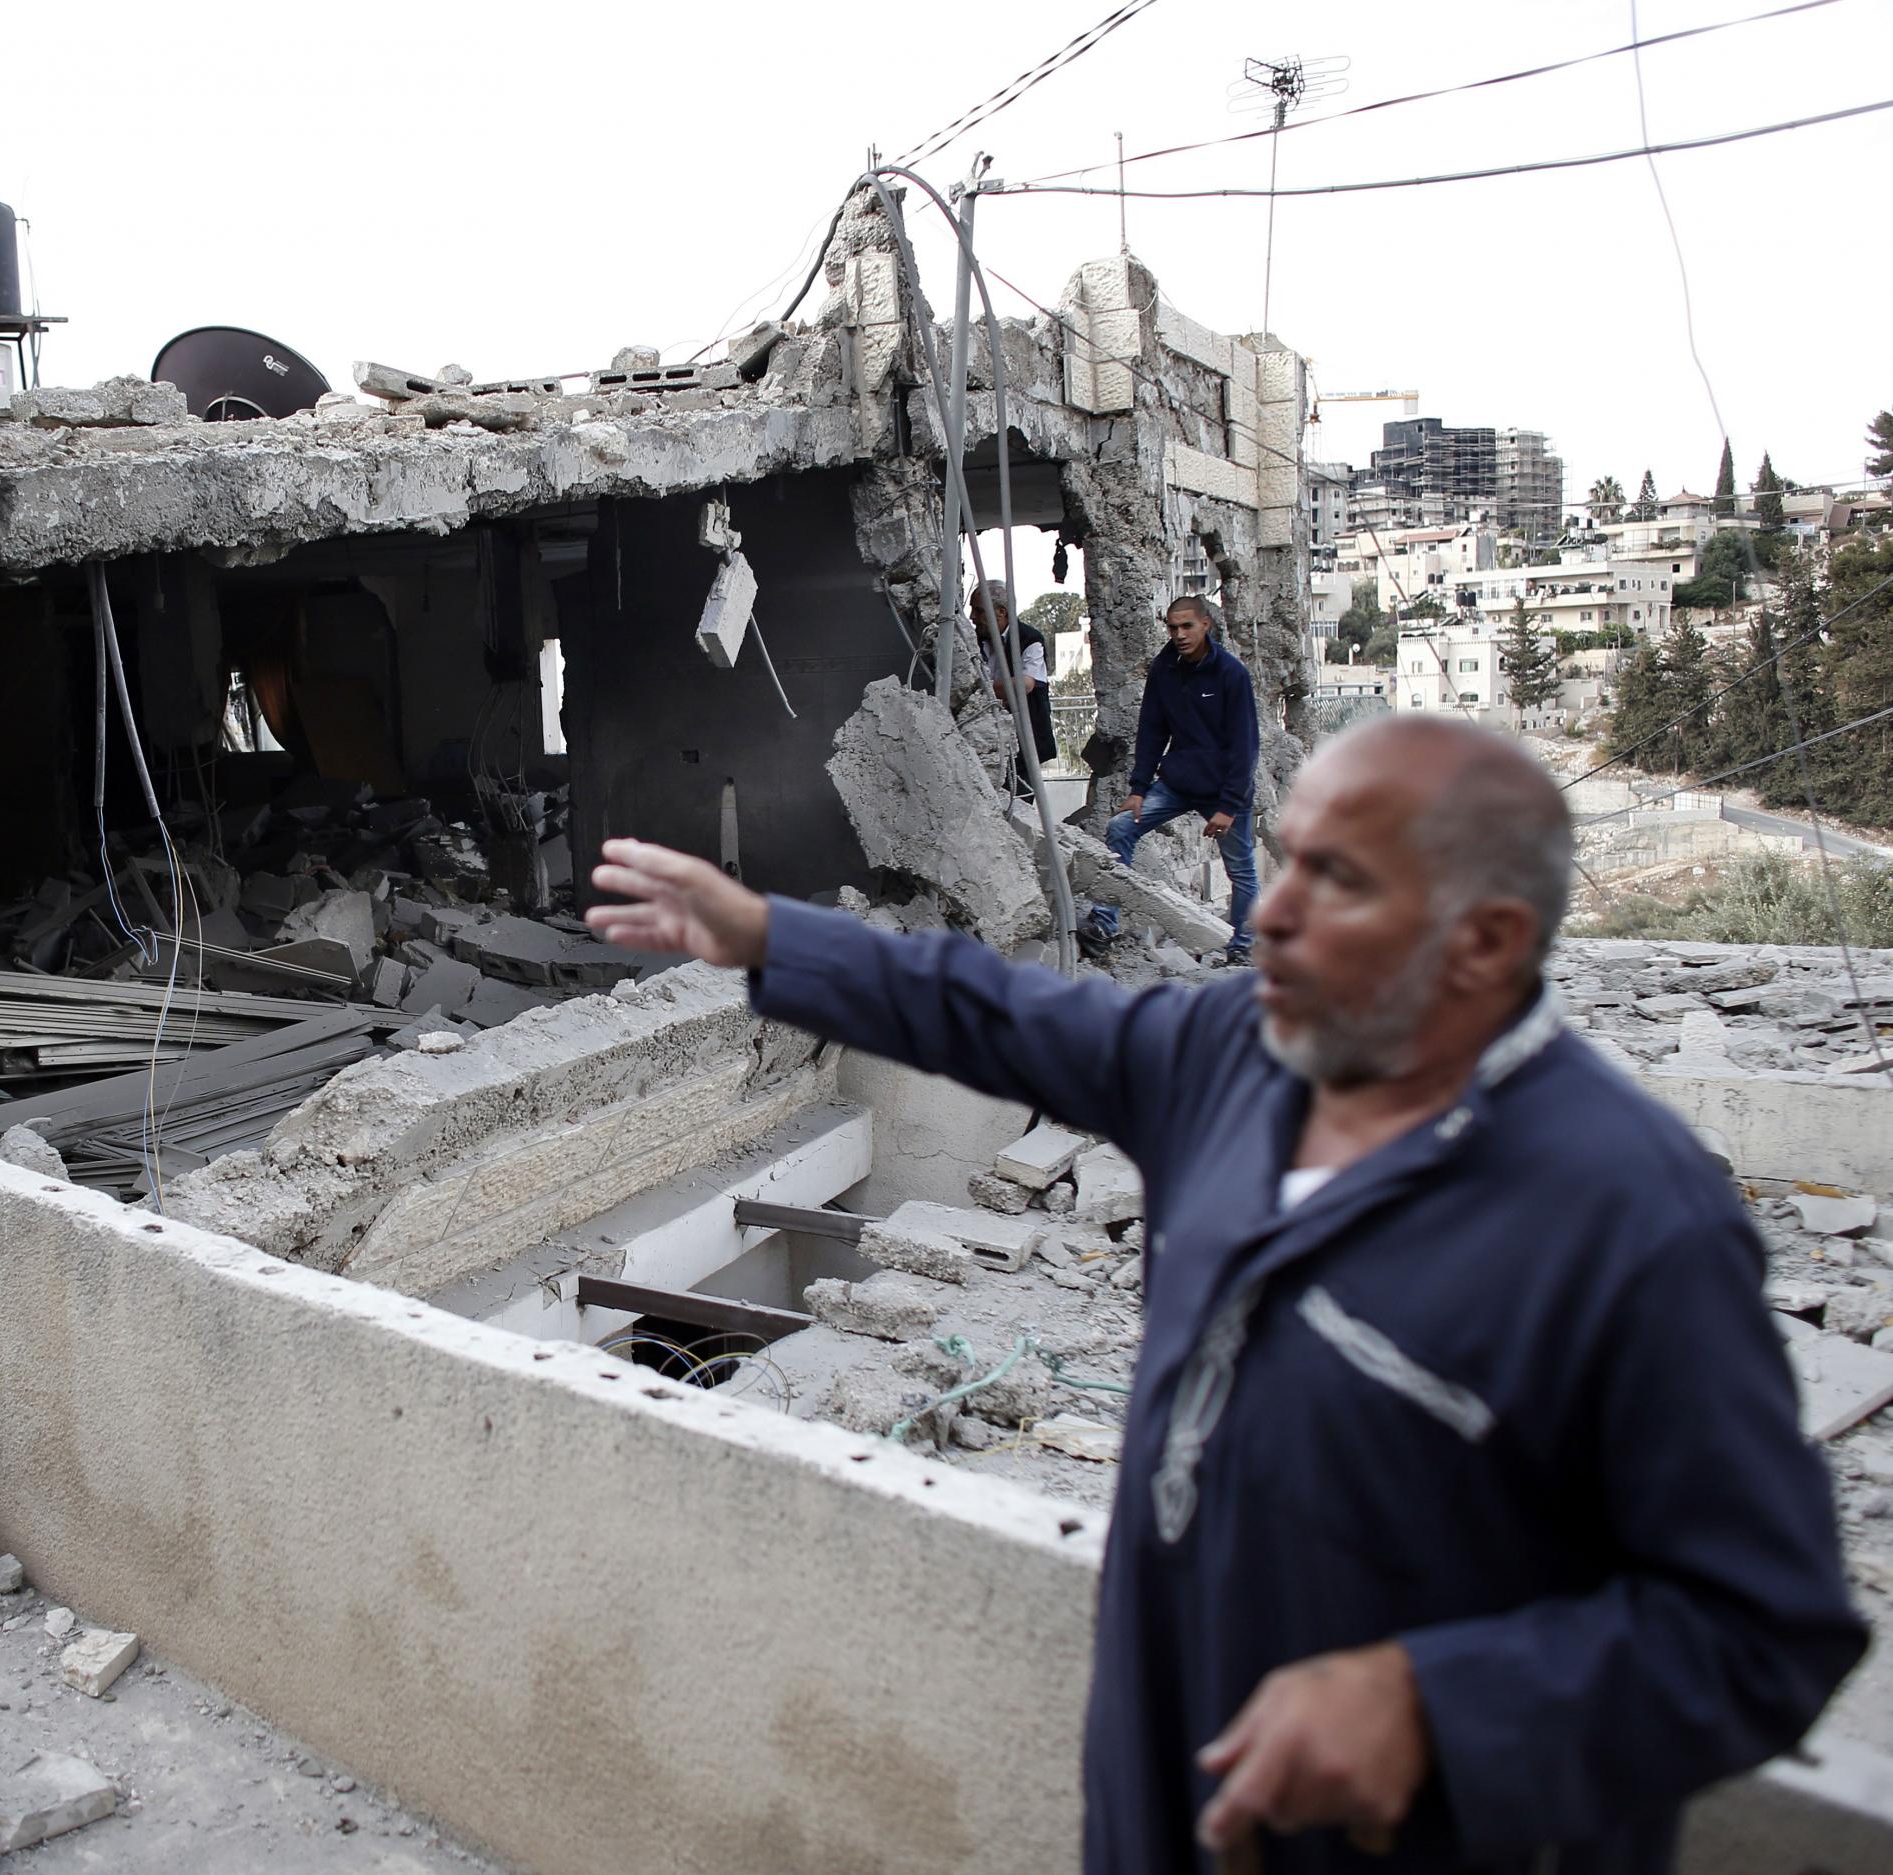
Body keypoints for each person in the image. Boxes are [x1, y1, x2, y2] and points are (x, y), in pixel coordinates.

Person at [585, 716, 1863, 1874]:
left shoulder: (1625, 1221)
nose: (1271, 916)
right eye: (1285, 858)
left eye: (1337, 881)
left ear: (1486, 940)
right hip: (1165, 1804)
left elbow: (1762, 1629)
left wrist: (1435, 1706)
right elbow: (1001, 1013)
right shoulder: (1234, 1055)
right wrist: (768, 937)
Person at [1090, 592, 1260, 964]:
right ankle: (1103, 923)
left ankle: (1243, 947)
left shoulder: (1232, 674)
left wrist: (1229, 806)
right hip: (1178, 782)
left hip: (1225, 788)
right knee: (1120, 827)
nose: (1180, 634)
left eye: (1187, 626)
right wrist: (1138, 789)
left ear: (1205, 625)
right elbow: (1151, 730)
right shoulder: (1164, 669)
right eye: (1173, 627)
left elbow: (1245, 747)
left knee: (1241, 868)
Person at [971, 579, 1058, 790]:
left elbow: (1025, 685)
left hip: (1024, 745)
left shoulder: (1029, 639)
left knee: (1020, 801)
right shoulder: (973, 641)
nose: (973, 617)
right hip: (986, 744)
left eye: (979, 611)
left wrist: (979, 689)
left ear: (1001, 611)